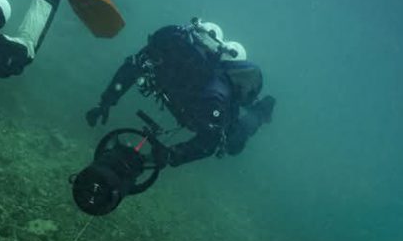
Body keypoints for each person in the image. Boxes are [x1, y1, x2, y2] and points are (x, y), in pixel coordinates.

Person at [85, 19, 276, 167]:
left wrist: (172, 154)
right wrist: (106, 102)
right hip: (191, 106)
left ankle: (260, 112)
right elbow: (133, 67)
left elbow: (210, 141)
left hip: (207, 111)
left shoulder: (214, 93)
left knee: (234, 144)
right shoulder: (167, 48)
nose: (179, 65)